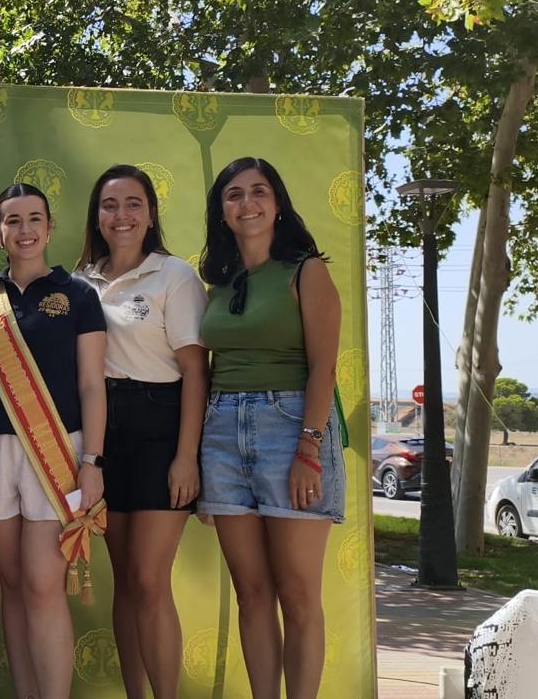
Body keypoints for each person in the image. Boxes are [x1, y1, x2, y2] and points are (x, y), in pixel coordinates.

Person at [196, 157, 344, 699]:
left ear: (278, 204)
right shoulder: (218, 281)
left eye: (259, 192)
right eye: (233, 195)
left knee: (298, 594)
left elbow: (324, 368)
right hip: (221, 434)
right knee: (250, 592)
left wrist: (309, 446)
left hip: (291, 429)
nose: (247, 203)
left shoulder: (307, 270)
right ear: (222, 211)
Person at [0, 183, 106, 699]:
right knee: (16, 585)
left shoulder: (80, 295)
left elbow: (92, 384)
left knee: (45, 586)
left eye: (34, 219)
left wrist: (92, 460)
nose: (25, 230)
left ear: (49, 227)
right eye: (13, 221)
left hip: (57, 448)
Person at [74, 165, 207, 699]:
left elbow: (196, 371)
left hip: (160, 426)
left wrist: (186, 457)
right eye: (110, 205)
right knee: (125, 584)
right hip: (103, 433)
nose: (121, 215)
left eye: (133, 204)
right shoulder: (80, 282)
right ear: (97, 216)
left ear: (151, 214)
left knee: (151, 583)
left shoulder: (174, 275)